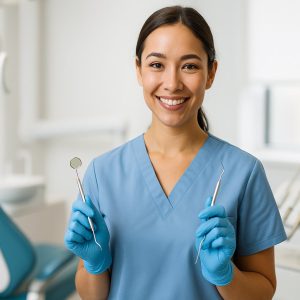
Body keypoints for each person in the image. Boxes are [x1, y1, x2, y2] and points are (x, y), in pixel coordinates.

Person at [64, 5, 287, 300]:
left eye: (190, 66)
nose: (172, 83)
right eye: (157, 65)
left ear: (211, 73)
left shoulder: (243, 173)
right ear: (138, 70)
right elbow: (93, 296)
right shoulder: (101, 174)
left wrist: (225, 275)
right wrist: (95, 264)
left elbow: (263, 290)